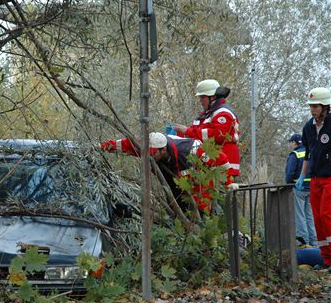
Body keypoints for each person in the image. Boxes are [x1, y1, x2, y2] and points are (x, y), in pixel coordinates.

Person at [100, 133, 231, 213]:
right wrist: (101, 147)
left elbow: (222, 161)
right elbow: (125, 144)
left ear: (163, 150)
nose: (149, 157)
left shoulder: (192, 149)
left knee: (200, 216)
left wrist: (230, 184)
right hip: (176, 187)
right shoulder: (149, 147)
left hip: (200, 188)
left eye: (152, 154)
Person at [173, 79, 241, 181]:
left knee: (221, 196)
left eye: (202, 97)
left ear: (213, 97)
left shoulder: (223, 113)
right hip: (210, 166)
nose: (200, 100)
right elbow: (194, 134)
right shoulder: (205, 115)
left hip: (224, 167)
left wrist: (187, 131)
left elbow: (217, 135)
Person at [297, 87, 331, 271]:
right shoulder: (308, 127)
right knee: (317, 218)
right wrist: (303, 175)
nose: (313, 109)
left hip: (330, 178)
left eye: (316, 106)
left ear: (325, 106)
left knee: (327, 216)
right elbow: (307, 154)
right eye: (311, 106)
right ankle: (326, 259)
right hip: (315, 179)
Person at [285, 133, 316, 246]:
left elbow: (289, 173)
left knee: (299, 216)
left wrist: (288, 183)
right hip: (312, 188)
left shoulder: (295, 154)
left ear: (295, 142)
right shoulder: (311, 152)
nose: (290, 144)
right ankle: (314, 241)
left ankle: (303, 241)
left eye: (291, 142)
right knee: (310, 215)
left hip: (299, 188)